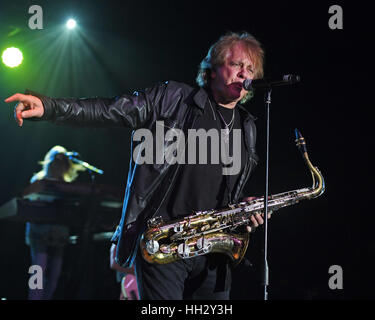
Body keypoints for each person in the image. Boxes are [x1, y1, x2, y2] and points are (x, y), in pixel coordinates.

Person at [5, 31, 269, 300]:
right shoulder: (174, 99)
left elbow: (224, 189)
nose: (244, 73)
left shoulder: (247, 126)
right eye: (236, 64)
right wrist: (49, 107)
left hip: (214, 251)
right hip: (165, 244)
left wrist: (243, 210)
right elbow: (111, 110)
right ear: (212, 69)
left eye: (250, 68)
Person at [25, 145, 85, 300]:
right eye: (56, 162)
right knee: (38, 269)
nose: (58, 166)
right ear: (50, 163)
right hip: (39, 232)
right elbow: (26, 199)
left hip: (59, 234)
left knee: (55, 273)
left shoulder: (67, 186)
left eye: (62, 163)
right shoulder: (38, 180)